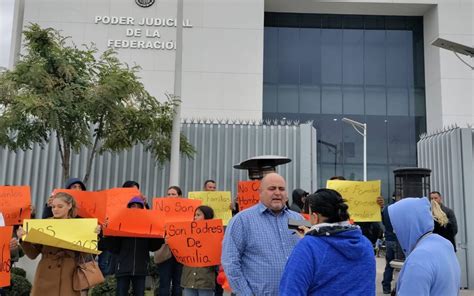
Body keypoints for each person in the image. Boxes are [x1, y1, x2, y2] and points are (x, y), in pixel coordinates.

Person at [280, 189, 375, 295]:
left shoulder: (308, 247)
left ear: (315, 217)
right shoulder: (365, 244)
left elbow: (290, 291)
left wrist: (309, 241)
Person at [221, 173, 302, 295]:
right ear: (260, 192)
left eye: (281, 189)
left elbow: (308, 256)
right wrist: (245, 293)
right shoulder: (242, 220)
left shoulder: (298, 219)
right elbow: (230, 262)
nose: (277, 193)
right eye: (272, 188)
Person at [18, 192, 93, 296]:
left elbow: (84, 255)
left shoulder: (79, 226)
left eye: (60, 206)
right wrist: (23, 240)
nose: (55, 209)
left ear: (69, 206)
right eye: (53, 207)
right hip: (45, 274)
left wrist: (93, 236)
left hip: (68, 274)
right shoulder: (43, 225)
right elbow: (33, 254)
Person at [388, 197, 460, 295]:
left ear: (407, 223)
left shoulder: (418, 259)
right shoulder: (445, 245)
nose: (394, 231)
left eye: (396, 226)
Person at [103, 197, 163, 296]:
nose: (135, 208)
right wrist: (107, 234)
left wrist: (159, 235)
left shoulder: (148, 226)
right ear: (128, 208)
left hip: (141, 268)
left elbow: (153, 247)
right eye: (133, 206)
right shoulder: (120, 224)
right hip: (122, 267)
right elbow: (114, 248)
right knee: (121, 293)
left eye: (139, 206)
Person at [181, 205, 218, 296]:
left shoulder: (215, 235)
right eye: (195, 215)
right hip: (188, 279)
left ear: (207, 217)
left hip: (205, 280)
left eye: (198, 215)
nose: (195, 217)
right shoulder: (187, 233)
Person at [155, 186, 184, 296]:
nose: (171, 196)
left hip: (181, 252)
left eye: (174, 194)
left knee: (178, 283)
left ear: (180, 196)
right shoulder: (160, 210)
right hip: (164, 251)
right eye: (169, 194)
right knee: (164, 282)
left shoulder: (187, 211)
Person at [381, 195, 404, 294]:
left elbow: (384, 222)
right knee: (403, 264)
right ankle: (400, 288)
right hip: (400, 240)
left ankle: (386, 287)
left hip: (389, 239)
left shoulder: (386, 208)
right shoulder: (402, 208)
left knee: (389, 265)